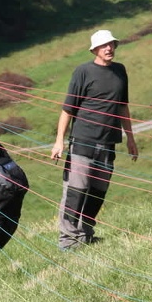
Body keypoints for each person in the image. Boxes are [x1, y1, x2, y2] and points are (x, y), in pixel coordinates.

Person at [50, 29, 138, 250]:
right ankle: (68, 241)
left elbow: (122, 107)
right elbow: (67, 110)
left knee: (98, 192)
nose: (109, 48)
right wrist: (59, 141)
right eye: (104, 45)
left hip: (108, 143)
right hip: (83, 142)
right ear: (95, 50)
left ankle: (86, 234)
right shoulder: (83, 71)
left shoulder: (120, 71)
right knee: (75, 191)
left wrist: (130, 139)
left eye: (112, 44)